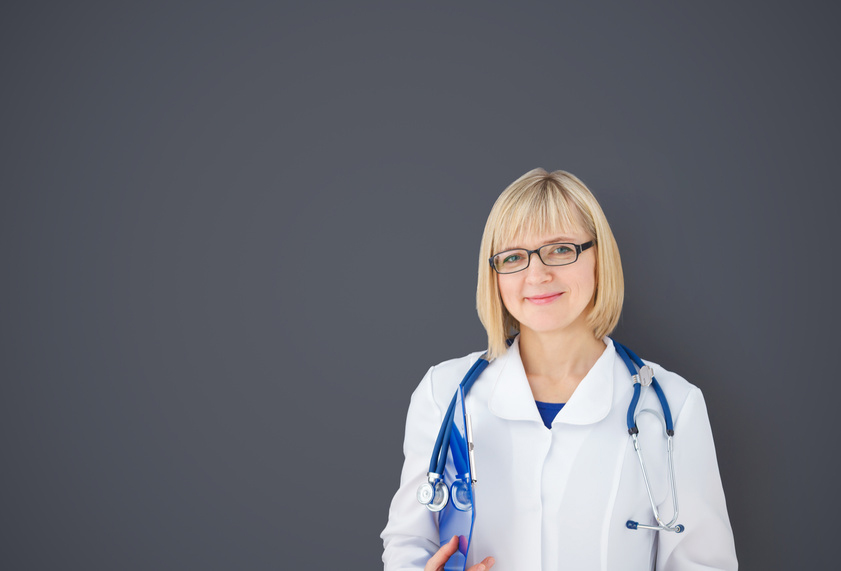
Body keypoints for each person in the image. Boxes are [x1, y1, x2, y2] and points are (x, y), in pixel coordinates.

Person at [381, 169, 737, 570]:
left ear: (599, 258)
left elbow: (705, 565)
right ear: (494, 276)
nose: (537, 275)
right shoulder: (443, 394)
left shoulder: (673, 405)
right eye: (513, 257)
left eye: (561, 250)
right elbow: (408, 544)